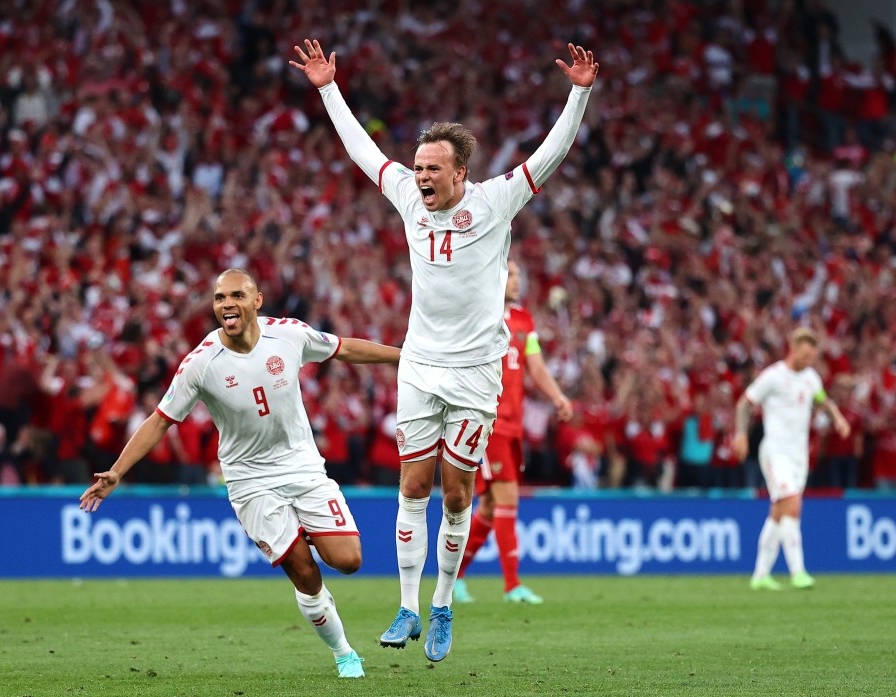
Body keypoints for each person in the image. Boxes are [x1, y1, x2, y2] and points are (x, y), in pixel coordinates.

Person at [290, 38, 598, 661]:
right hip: (420, 364)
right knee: (412, 485)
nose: (422, 176)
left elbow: (552, 152)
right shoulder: (406, 195)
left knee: (458, 494)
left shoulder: (495, 200)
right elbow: (361, 150)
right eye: (419, 167)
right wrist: (327, 89)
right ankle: (406, 605)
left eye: (434, 168)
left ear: (460, 172)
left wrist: (579, 92)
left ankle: (443, 607)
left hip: (478, 371)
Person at [79, 268, 401, 679]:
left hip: (302, 466)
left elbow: (344, 348)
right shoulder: (201, 362)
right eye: (218, 298)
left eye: (234, 295)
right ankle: (344, 653)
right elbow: (160, 420)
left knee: (349, 559)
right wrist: (117, 472)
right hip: (251, 481)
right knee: (303, 570)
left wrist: (402, 355)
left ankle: (304, 540)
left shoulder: (288, 335)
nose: (226, 304)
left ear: (256, 301)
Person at [453, 259, 573, 605]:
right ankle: (512, 585)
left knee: (491, 505)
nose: (518, 281)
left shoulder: (524, 320)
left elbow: (535, 365)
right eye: (511, 275)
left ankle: (454, 577)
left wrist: (557, 397)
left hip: (515, 424)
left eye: (520, 274)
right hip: (489, 422)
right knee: (508, 498)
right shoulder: (479, 314)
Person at [733, 328, 850, 591]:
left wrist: (838, 418)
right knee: (792, 504)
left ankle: (760, 575)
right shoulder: (773, 376)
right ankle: (798, 571)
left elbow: (824, 401)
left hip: (799, 456)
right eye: (806, 355)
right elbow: (744, 404)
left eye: (813, 356)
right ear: (793, 348)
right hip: (775, 452)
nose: (810, 361)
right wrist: (741, 435)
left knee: (778, 512)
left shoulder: (811, 378)